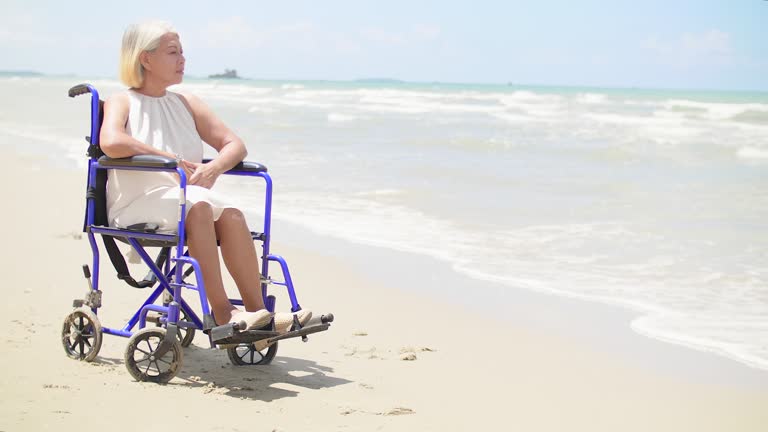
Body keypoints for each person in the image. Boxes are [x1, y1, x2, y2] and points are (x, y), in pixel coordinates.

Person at [100, 20, 310, 333]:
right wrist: (166, 157)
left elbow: (235, 146)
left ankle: (258, 316)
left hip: (184, 198)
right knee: (198, 207)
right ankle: (223, 313)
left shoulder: (187, 103)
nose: (182, 60)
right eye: (173, 53)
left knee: (232, 216)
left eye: (182, 52)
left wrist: (213, 168)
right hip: (137, 203)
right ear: (145, 59)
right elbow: (111, 142)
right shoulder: (123, 101)